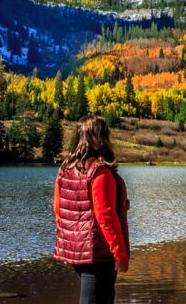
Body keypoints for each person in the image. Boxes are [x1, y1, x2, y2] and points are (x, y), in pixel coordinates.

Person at [53, 115, 130, 304]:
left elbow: (58, 209)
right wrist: (120, 254)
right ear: (100, 137)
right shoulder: (99, 172)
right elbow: (106, 217)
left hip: (79, 251)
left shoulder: (66, 168)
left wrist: (72, 243)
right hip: (98, 255)